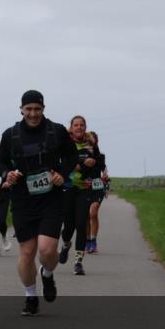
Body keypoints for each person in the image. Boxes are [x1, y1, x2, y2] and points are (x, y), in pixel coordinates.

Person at [0, 91, 77, 316]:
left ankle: (47, 275)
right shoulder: (10, 135)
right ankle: (30, 297)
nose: (33, 114)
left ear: (43, 109)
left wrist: (61, 173)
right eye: (28, 109)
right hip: (23, 199)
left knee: (48, 250)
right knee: (27, 252)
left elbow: (72, 156)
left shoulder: (56, 131)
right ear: (21, 109)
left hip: (51, 197)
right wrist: (7, 173)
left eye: (37, 109)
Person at [60, 116, 95, 276]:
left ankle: (78, 262)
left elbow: (99, 163)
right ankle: (66, 244)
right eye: (76, 125)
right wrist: (78, 164)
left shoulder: (91, 144)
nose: (79, 127)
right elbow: (61, 163)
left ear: (85, 127)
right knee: (68, 227)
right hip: (67, 187)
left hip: (84, 188)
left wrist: (94, 164)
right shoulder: (65, 143)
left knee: (81, 224)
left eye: (82, 125)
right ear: (71, 127)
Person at [85, 131, 108, 254]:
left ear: (96, 143)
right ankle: (88, 240)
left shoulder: (100, 156)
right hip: (84, 187)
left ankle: (93, 240)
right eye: (87, 142)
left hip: (97, 187)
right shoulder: (81, 155)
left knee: (93, 213)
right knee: (86, 216)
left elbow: (104, 169)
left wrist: (105, 176)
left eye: (91, 142)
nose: (89, 145)